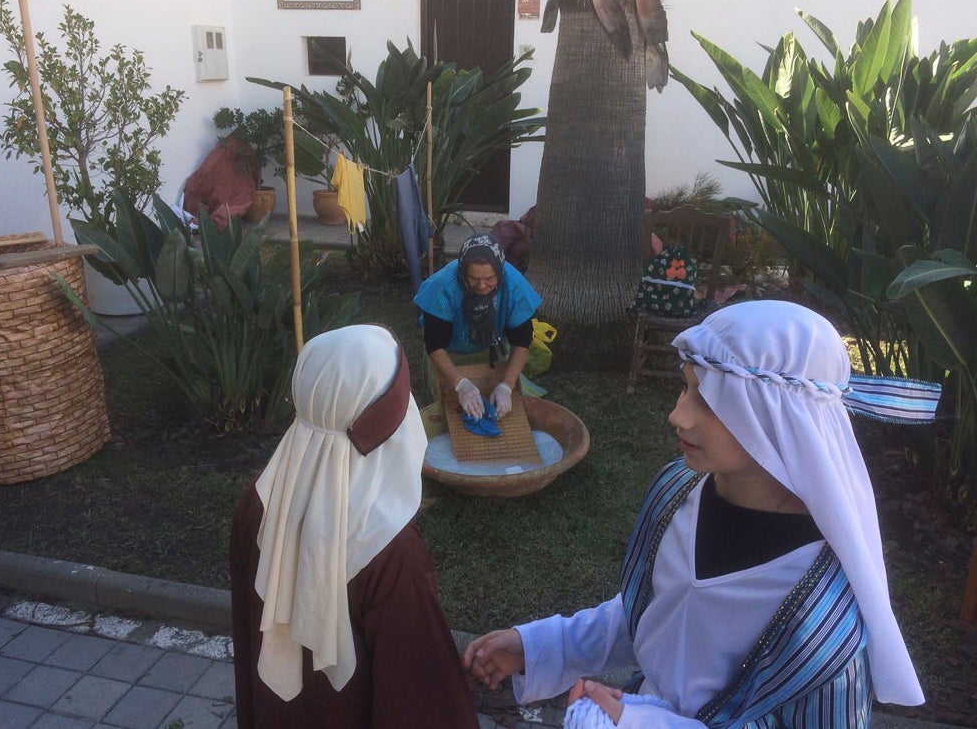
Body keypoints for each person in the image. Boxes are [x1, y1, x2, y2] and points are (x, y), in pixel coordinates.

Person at [464, 300, 942, 728]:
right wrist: (542, 646)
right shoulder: (677, 493)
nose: (679, 415)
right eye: (685, 389)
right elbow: (649, 613)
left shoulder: (823, 607)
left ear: (777, 418)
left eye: (708, 400)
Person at [229, 324, 480, 729]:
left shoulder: (259, 500)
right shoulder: (388, 551)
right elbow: (425, 703)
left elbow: (248, 636)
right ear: (396, 423)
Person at [413, 232, 542, 420]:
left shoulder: (514, 287)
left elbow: (521, 342)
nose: (482, 286)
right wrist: (460, 384)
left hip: (492, 349)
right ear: (462, 270)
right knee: (451, 411)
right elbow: (434, 345)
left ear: (500, 271)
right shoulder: (443, 288)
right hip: (448, 354)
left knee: (505, 403)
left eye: (490, 278)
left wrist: (506, 386)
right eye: (473, 278)